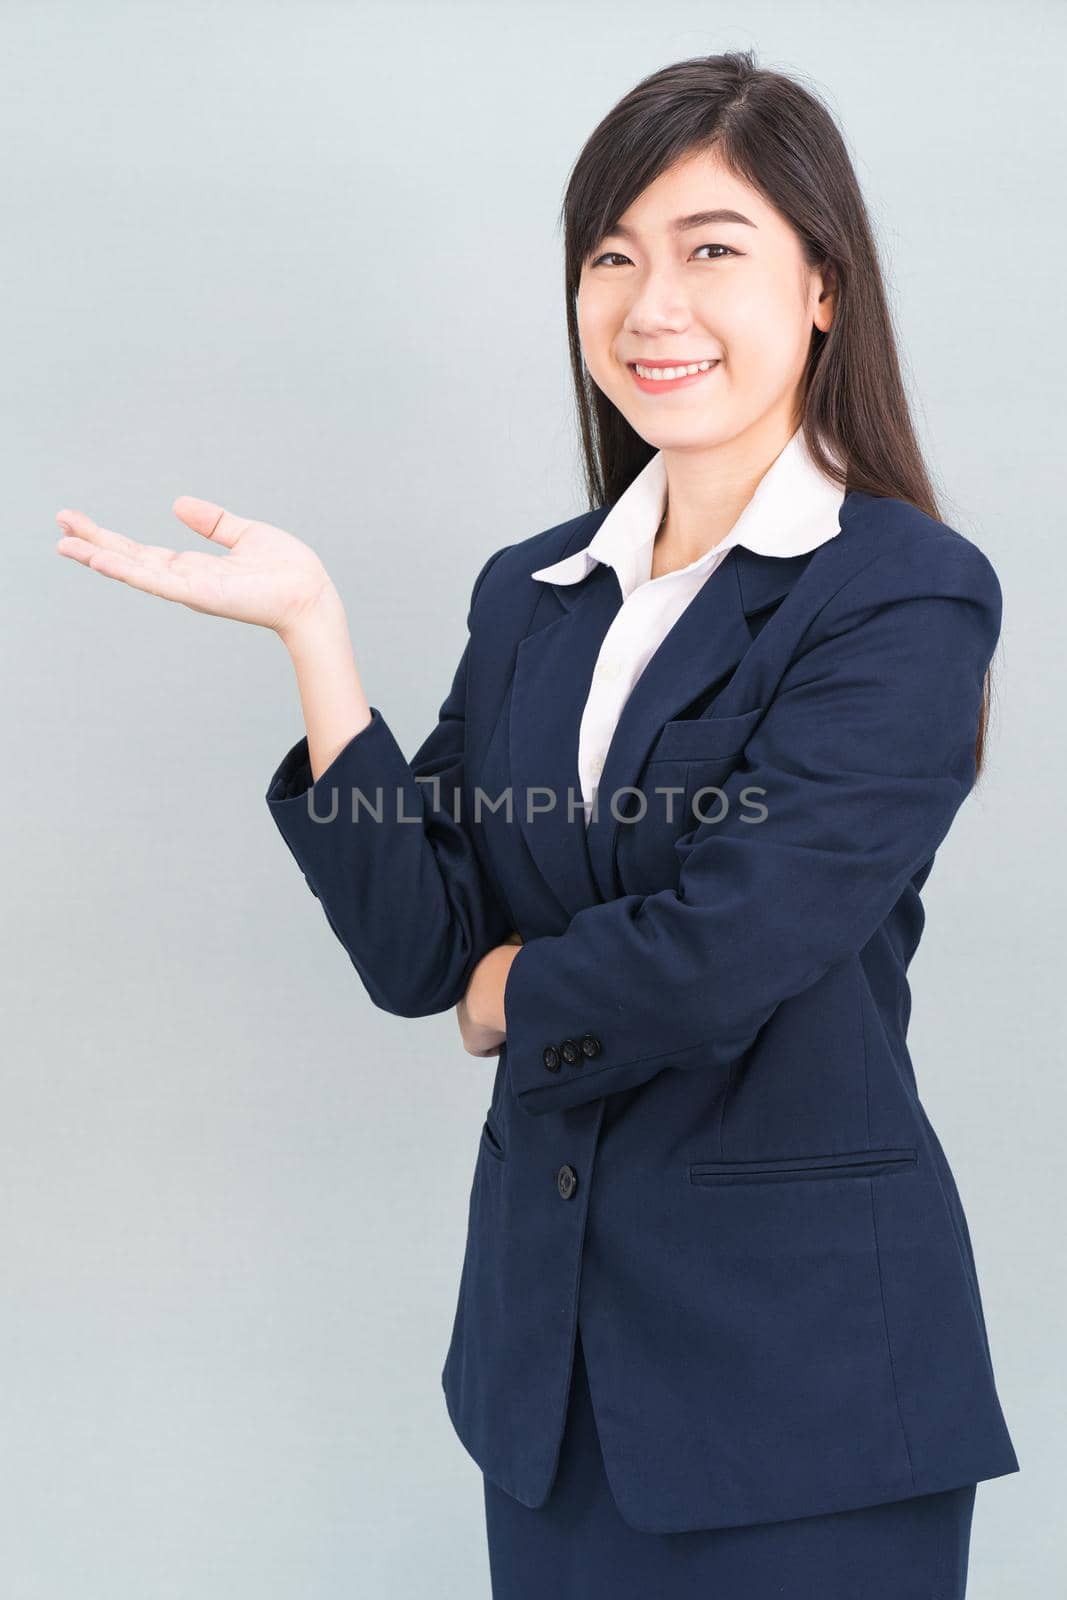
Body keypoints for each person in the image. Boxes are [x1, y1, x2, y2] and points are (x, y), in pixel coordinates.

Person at [55, 47, 1019, 1600]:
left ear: (824, 287)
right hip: (549, 1383)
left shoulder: (898, 589)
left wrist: (516, 992)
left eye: (714, 249)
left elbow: (733, 945)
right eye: (612, 256)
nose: (654, 305)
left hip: (804, 1390)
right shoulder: (535, 592)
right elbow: (416, 947)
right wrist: (319, 645)